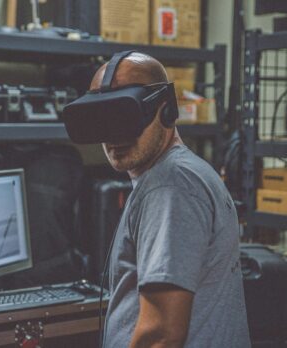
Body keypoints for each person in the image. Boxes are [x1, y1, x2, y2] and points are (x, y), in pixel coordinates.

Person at [91, 53, 251, 347]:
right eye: (103, 120)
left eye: (126, 117)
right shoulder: (182, 173)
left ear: (166, 110)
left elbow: (161, 335)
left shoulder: (169, 185)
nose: (114, 135)